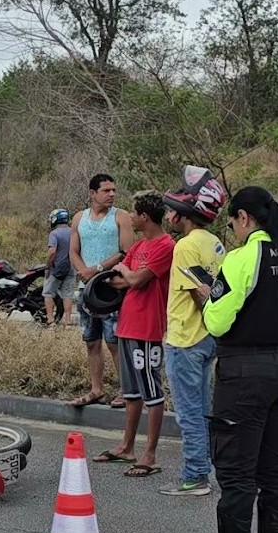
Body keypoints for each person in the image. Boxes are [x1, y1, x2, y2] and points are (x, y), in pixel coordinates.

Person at [188, 186, 278, 533]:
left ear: (243, 218)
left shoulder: (241, 258)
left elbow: (219, 322)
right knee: (275, 469)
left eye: (233, 222)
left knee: (237, 470)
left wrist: (209, 297)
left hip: (245, 371)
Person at [94, 191, 175, 477]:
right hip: (127, 324)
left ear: (144, 216)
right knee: (130, 392)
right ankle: (126, 447)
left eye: (133, 211)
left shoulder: (166, 245)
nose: (129, 215)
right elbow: (118, 281)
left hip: (148, 328)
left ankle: (150, 454)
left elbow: (137, 280)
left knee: (152, 391)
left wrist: (127, 271)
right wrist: (128, 273)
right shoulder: (139, 246)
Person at [159, 166, 229, 496]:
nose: (170, 213)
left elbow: (202, 293)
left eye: (174, 209)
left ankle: (195, 476)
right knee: (201, 410)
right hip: (207, 339)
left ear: (187, 211)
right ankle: (202, 470)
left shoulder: (185, 247)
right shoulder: (214, 243)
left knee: (189, 414)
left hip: (186, 339)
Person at [69, 174, 134, 409]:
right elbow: (73, 251)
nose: (112, 194)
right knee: (91, 341)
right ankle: (96, 389)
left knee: (114, 341)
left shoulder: (121, 216)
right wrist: (83, 271)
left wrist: (97, 269)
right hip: (87, 290)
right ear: (92, 193)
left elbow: (126, 251)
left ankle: (127, 391)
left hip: (111, 288)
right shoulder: (79, 218)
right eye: (106, 190)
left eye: (113, 190)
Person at [43, 208, 75, 327]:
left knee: (48, 293)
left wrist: (47, 267)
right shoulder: (73, 232)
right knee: (68, 295)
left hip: (56, 270)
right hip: (71, 269)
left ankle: (51, 321)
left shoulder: (54, 234)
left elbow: (52, 252)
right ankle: (67, 323)